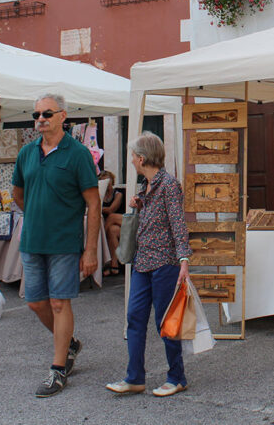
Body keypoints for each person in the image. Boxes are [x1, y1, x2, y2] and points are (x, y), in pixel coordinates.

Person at [12, 93, 102, 398]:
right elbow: (18, 193)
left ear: (63, 116)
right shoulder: (27, 153)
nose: (40, 119)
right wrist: (38, 214)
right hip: (32, 241)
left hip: (65, 242)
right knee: (36, 303)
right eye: (36, 114)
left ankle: (58, 367)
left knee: (59, 303)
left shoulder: (78, 154)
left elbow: (93, 203)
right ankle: (70, 343)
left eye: (47, 114)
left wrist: (90, 249)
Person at [106, 131, 192, 398]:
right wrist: (138, 204)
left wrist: (184, 260)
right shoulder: (146, 186)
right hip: (142, 262)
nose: (131, 160)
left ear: (142, 159)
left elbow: (178, 224)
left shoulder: (169, 185)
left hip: (165, 263)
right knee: (134, 317)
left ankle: (177, 377)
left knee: (165, 321)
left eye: (133, 156)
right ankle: (134, 378)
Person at [100, 170, 124, 276]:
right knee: (112, 230)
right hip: (112, 226)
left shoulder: (118, 194)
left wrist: (99, 208)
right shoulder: (100, 194)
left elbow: (111, 210)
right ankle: (114, 264)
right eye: (103, 180)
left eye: (108, 180)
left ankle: (102, 240)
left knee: (111, 216)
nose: (106, 182)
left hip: (121, 222)